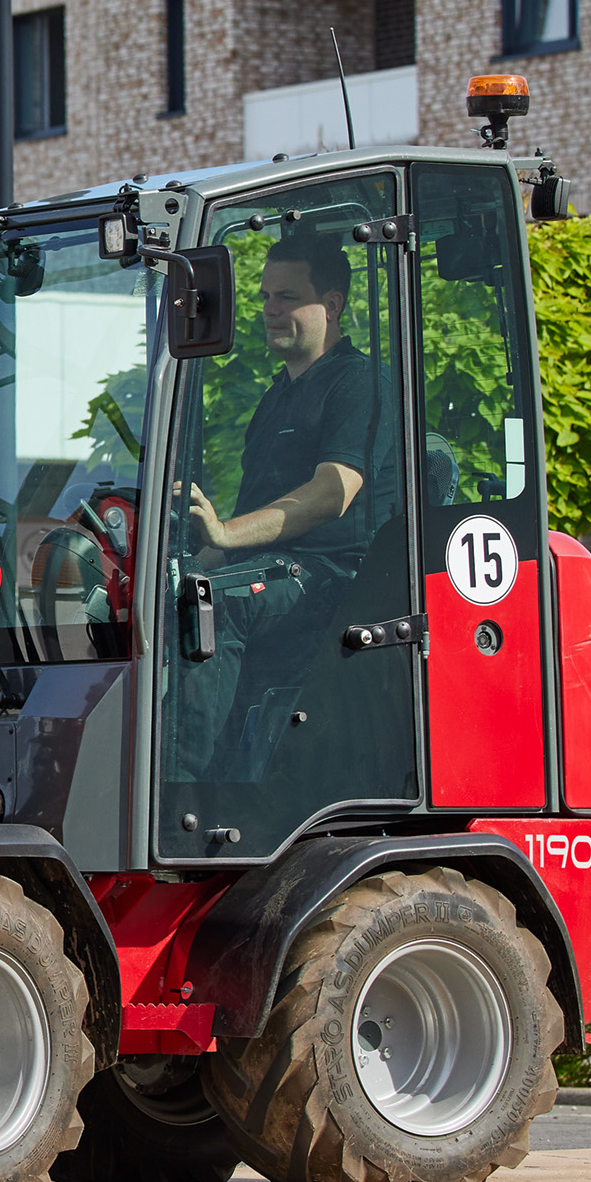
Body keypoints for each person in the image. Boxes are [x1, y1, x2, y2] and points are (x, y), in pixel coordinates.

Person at [169, 221, 393, 786]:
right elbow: (247, 529)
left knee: (213, 605)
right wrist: (189, 559)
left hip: (336, 580)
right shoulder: (277, 399)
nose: (271, 310)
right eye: (266, 296)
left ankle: (188, 794)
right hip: (283, 570)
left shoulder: (359, 384)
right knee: (173, 591)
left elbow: (333, 492)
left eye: (288, 297)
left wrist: (222, 539)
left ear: (333, 304)